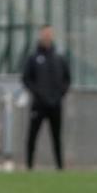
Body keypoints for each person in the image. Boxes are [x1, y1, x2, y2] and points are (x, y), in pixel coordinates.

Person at [20, 24, 72, 171]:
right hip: (38, 104)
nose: (47, 36)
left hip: (56, 104)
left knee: (56, 136)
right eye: (45, 33)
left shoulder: (59, 57)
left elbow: (67, 79)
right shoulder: (34, 57)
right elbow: (26, 79)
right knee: (32, 135)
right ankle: (29, 166)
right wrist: (38, 93)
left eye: (49, 33)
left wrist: (59, 94)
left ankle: (59, 167)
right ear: (40, 35)